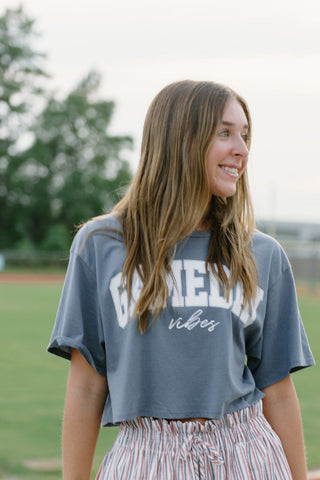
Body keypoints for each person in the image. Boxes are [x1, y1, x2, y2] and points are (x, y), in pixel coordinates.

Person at [48, 80, 315, 480]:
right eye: (225, 133)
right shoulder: (101, 245)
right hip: (144, 457)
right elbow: (87, 387)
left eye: (244, 135)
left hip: (247, 455)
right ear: (180, 140)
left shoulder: (262, 254)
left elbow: (277, 390)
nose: (241, 150)